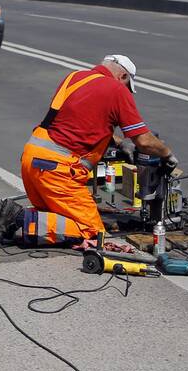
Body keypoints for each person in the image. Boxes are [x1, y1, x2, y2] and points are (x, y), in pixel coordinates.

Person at [20, 54, 176, 247]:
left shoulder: (74, 77)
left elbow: (78, 121)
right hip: (58, 171)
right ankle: (19, 221)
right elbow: (144, 140)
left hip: (32, 160)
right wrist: (167, 153)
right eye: (128, 87)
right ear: (123, 77)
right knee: (94, 234)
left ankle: (9, 216)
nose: (126, 91)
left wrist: (119, 143)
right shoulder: (117, 89)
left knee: (56, 217)